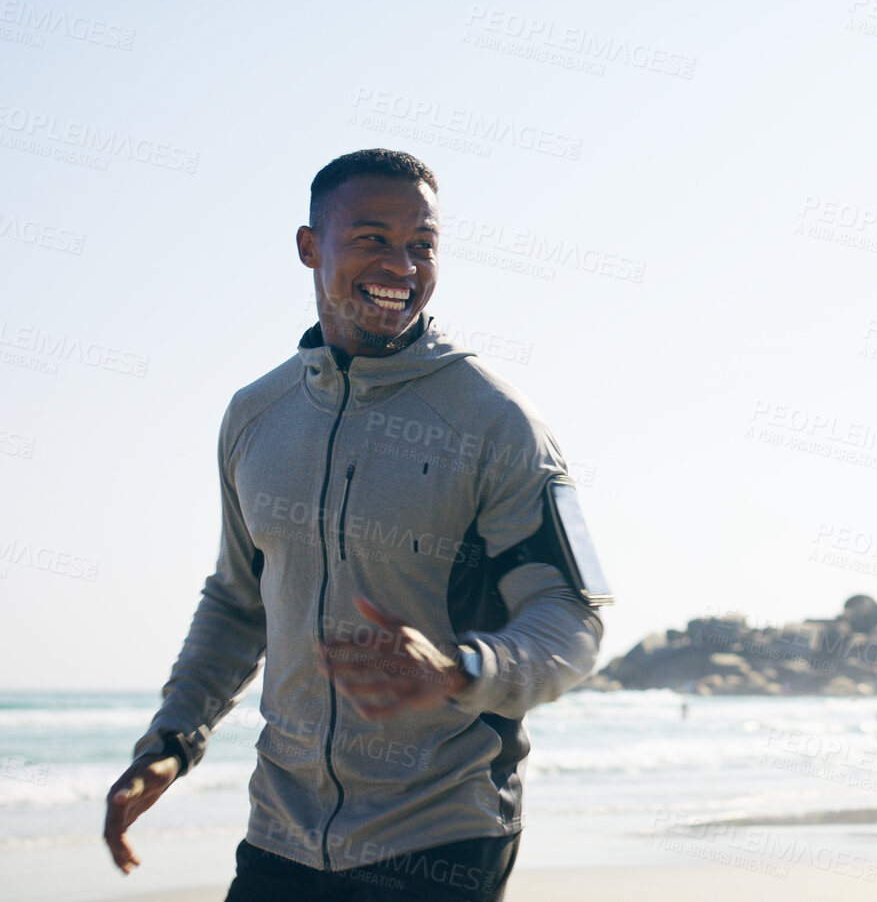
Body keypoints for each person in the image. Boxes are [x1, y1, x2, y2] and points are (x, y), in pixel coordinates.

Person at [102, 149, 611, 902]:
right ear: (310, 247)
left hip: (441, 836)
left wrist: (459, 668)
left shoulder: (496, 422)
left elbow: (572, 620)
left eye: (422, 244)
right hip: (280, 831)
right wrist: (173, 741)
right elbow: (240, 601)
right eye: (372, 237)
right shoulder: (255, 416)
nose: (401, 263)